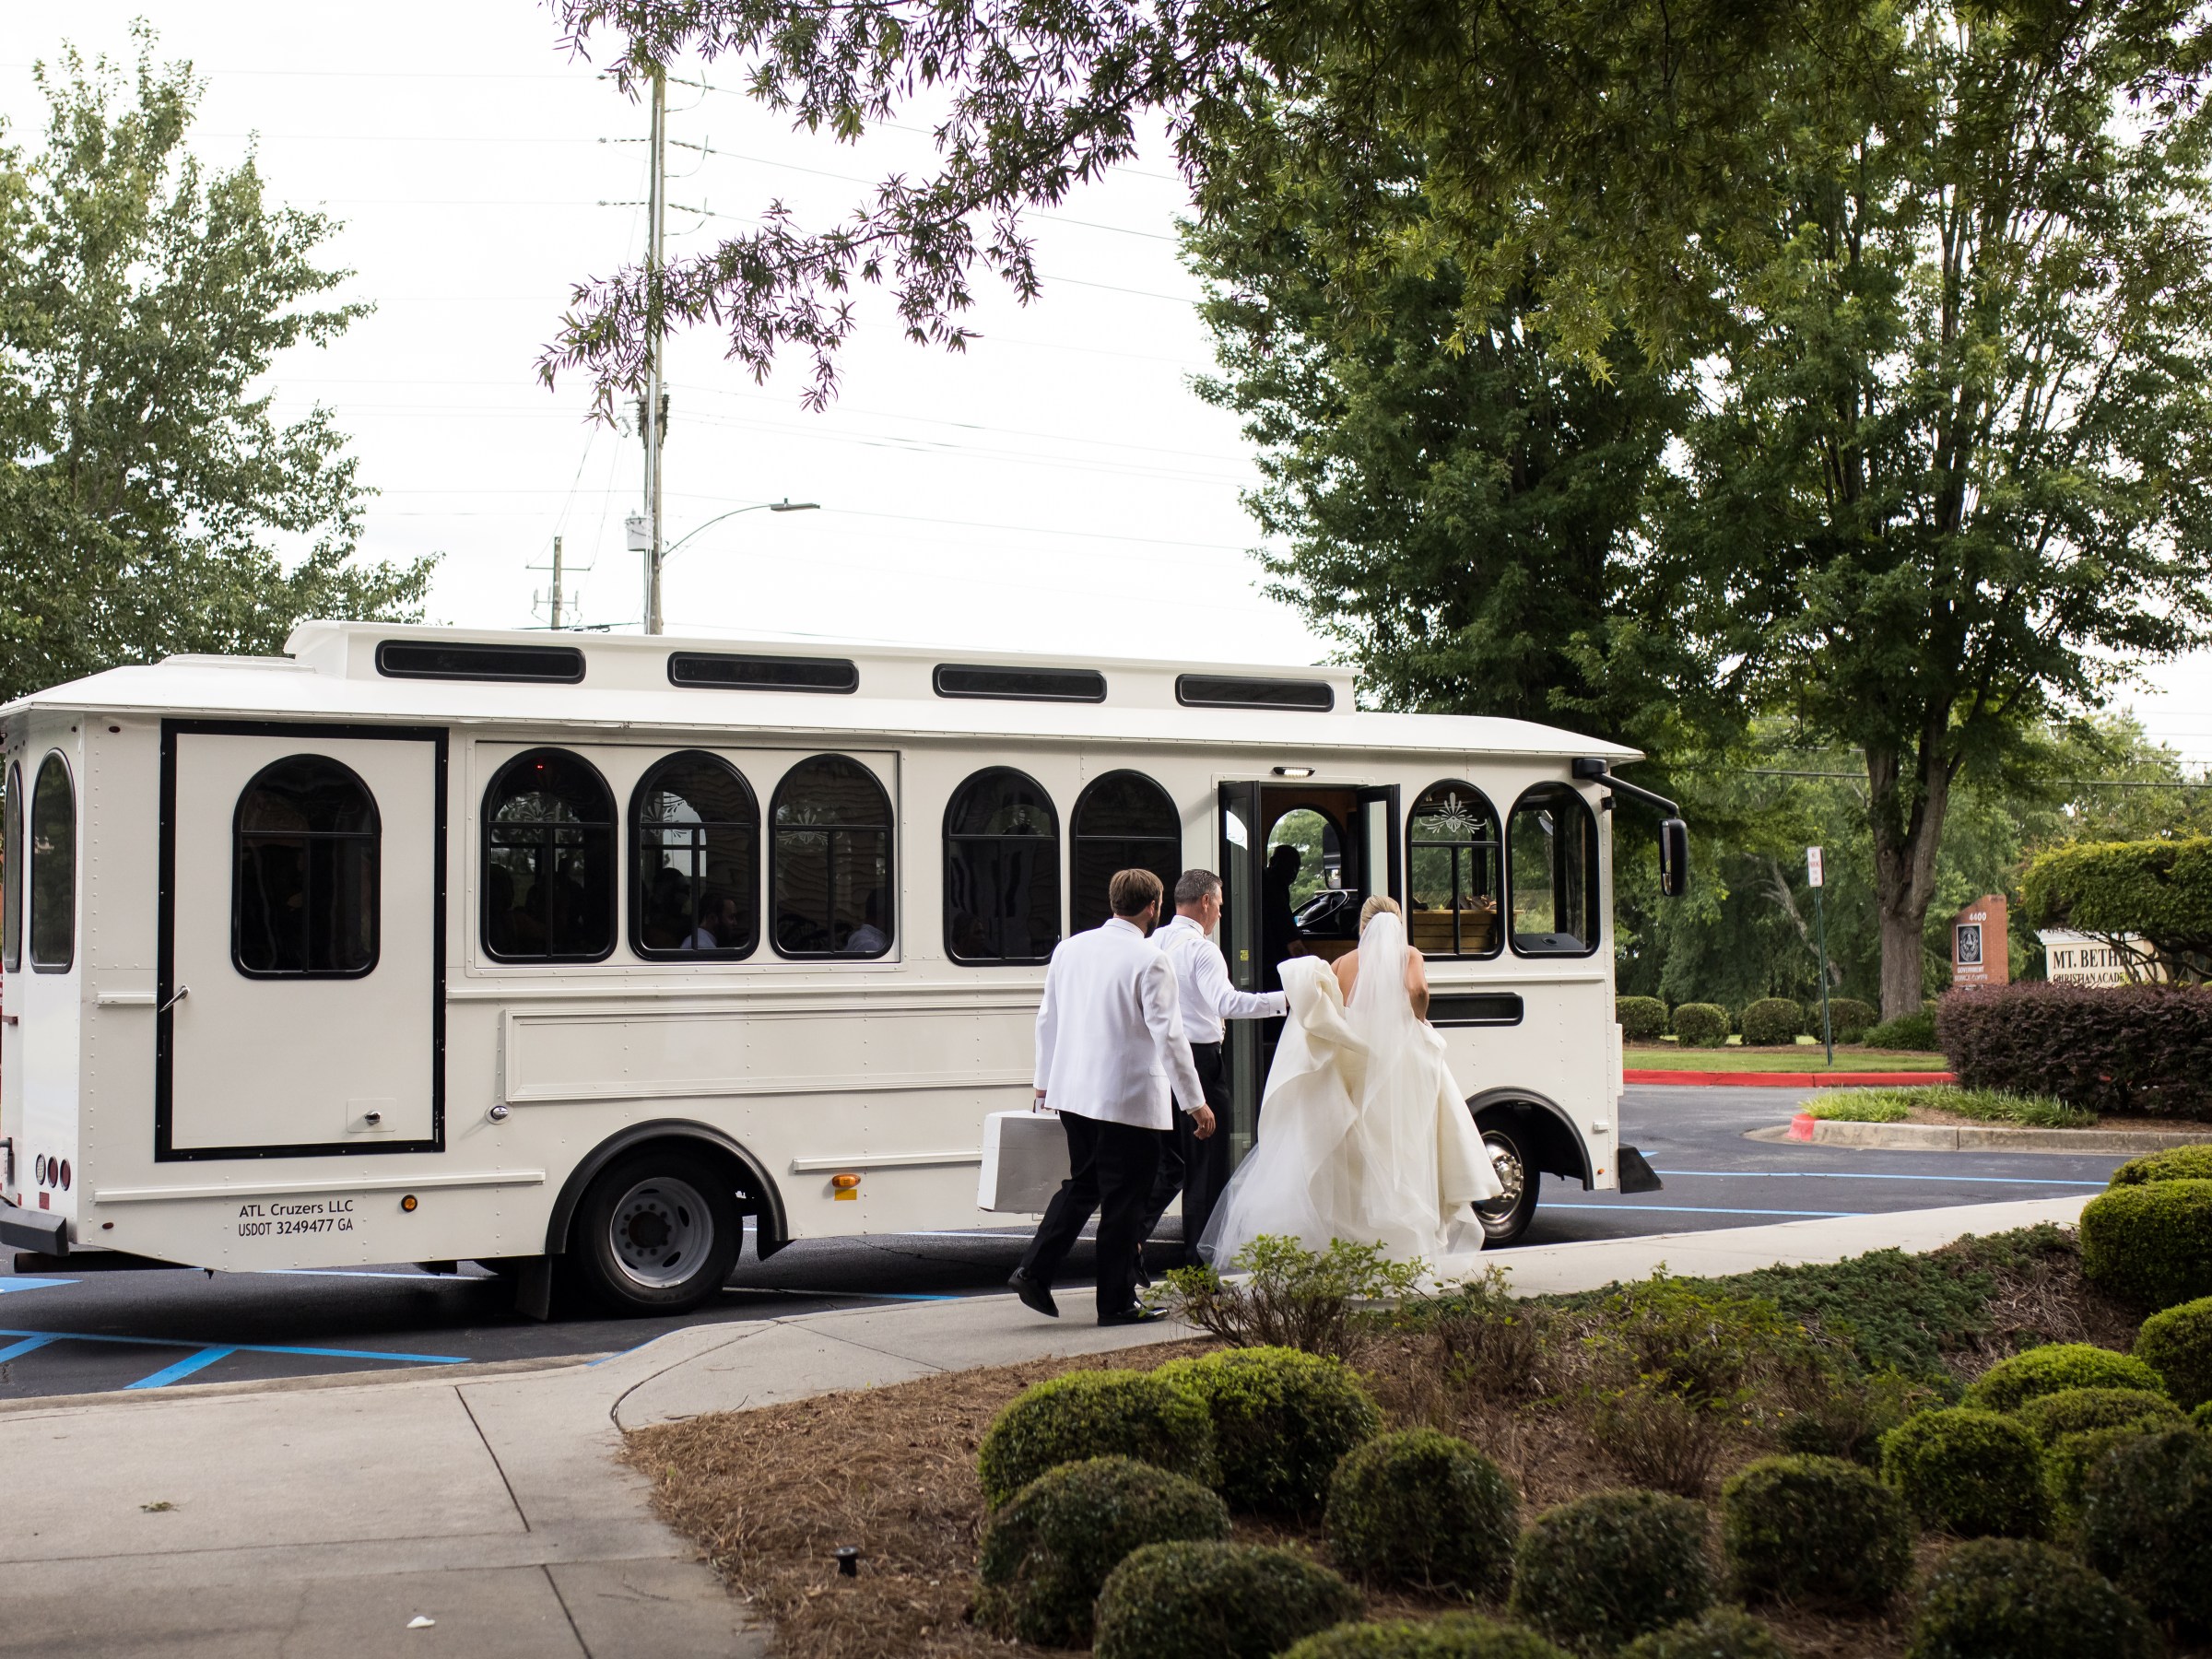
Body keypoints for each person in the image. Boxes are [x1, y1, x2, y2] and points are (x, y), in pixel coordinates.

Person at [1199, 895, 1501, 1271]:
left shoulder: (1343, 962)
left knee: (1353, 1152)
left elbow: (1335, 1009)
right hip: (1399, 1062)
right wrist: (1417, 1020)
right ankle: (1400, 1249)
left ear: (1363, 925)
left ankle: (1348, 1249)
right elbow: (1418, 992)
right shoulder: (1408, 955)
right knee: (1404, 1145)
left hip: (1353, 1060)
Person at [1010, 868, 1213, 1325]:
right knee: (1125, 1201)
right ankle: (1116, 1302)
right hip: (1128, 1101)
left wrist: (1044, 1081)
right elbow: (1171, 1038)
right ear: (1153, 907)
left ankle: (1033, 1270)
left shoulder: (1070, 949)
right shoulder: (1149, 959)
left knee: (1084, 1183)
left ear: (1114, 901)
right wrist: (1194, 1102)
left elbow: (1048, 1018)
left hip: (1073, 1094)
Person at [1136, 868, 1288, 1270]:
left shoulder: (1154, 942)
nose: (1221, 912)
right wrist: (1286, 1000)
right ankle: (1199, 1265)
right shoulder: (1202, 950)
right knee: (1205, 1168)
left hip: (1159, 1063)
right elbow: (1228, 1003)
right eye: (1220, 903)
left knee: (1171, 1165)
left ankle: (1130, 1241)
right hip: (1201, 1063)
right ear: (1205, 902)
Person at [1260, 843, 1302, 991]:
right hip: (1272, 963)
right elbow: (1290, 937)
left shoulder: (1264, 881)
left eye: (1297, 867)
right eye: (1289, 865)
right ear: (1272, 862)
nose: (1293, 872)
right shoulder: (1275, 888)